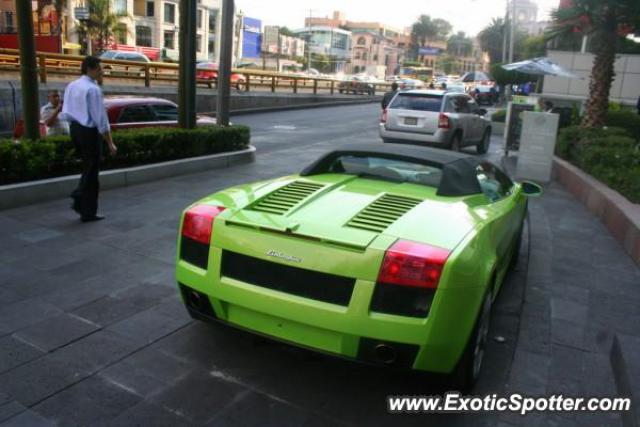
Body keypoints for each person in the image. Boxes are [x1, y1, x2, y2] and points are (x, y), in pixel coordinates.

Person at [62, 56, 117, 222]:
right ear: (90, 69)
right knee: (92, 172)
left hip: (75, 130)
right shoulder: (93, 89)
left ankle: (82, 203)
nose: (101, 71)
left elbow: (66, 111)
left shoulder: (72, 85)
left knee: (87, 168)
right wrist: (110, 142)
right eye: (99, 68)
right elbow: (101, 119)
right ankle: (85, 206)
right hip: (89, 132)